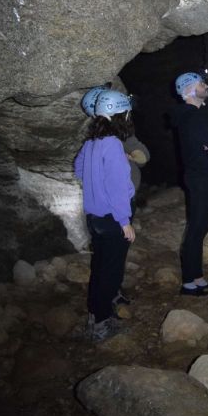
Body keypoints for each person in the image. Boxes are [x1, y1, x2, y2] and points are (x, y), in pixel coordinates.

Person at [74, 89, 136, 341]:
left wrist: (93, 186)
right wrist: (125, 221)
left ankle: (95, 315)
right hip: (111, 219)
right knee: (110, 272)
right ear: (119, 114)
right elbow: (118, 187)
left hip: (94, 217)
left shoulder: (90, 143)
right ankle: (101, 324)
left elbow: (79, 169)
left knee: (99, 268)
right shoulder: (112, 144)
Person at [170, 72, 208, 296]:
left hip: (202, 176)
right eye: (201, 84)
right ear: (190, 90)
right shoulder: (192, 116)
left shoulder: (192, 116)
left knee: (200, 227)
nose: (206, 86)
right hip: (201, 177)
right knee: (196, 229)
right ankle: (188, 282)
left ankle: (197, 277)